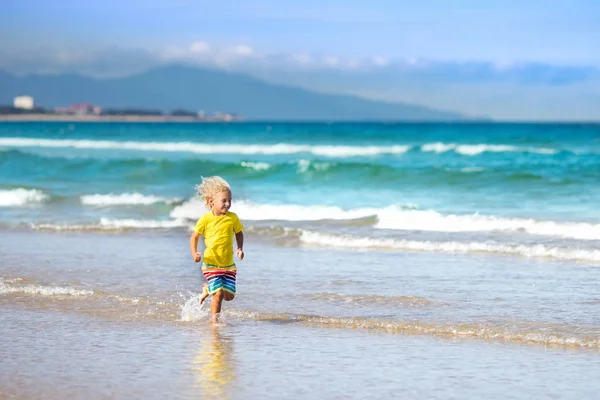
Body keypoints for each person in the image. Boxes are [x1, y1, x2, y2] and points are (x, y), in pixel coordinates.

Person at [189, 176, 244, 322]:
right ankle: (214, 321)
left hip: (228, 265)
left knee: (229, 296)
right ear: (211, 201)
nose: (227, 204)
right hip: (211, 263)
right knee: (218, 294)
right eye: (224, 201)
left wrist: (239, 248)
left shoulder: (233, 218)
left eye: (229, 201)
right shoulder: (205, 219)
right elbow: (194, 236)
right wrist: (194, 253)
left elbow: (239, 233)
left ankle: (207, 289)